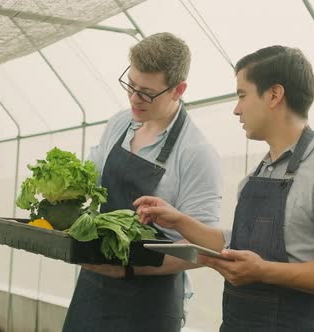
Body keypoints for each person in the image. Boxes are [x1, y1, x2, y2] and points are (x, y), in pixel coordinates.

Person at [134, 45, 314, 331]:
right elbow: (240, 244)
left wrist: (264, 271)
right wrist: (179, 221)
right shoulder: (258, 174)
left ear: (274, 95)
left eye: (242, 95)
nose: (236, 109)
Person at [62, 32, 223, 332]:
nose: (135, 98)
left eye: (147, 92)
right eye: (131, 85)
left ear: (178, 90)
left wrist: (127, 269)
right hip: (93, 287)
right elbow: (88, 184)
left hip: (150, 302)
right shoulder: (119, 124)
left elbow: (202, 250)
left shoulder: (196, 154)